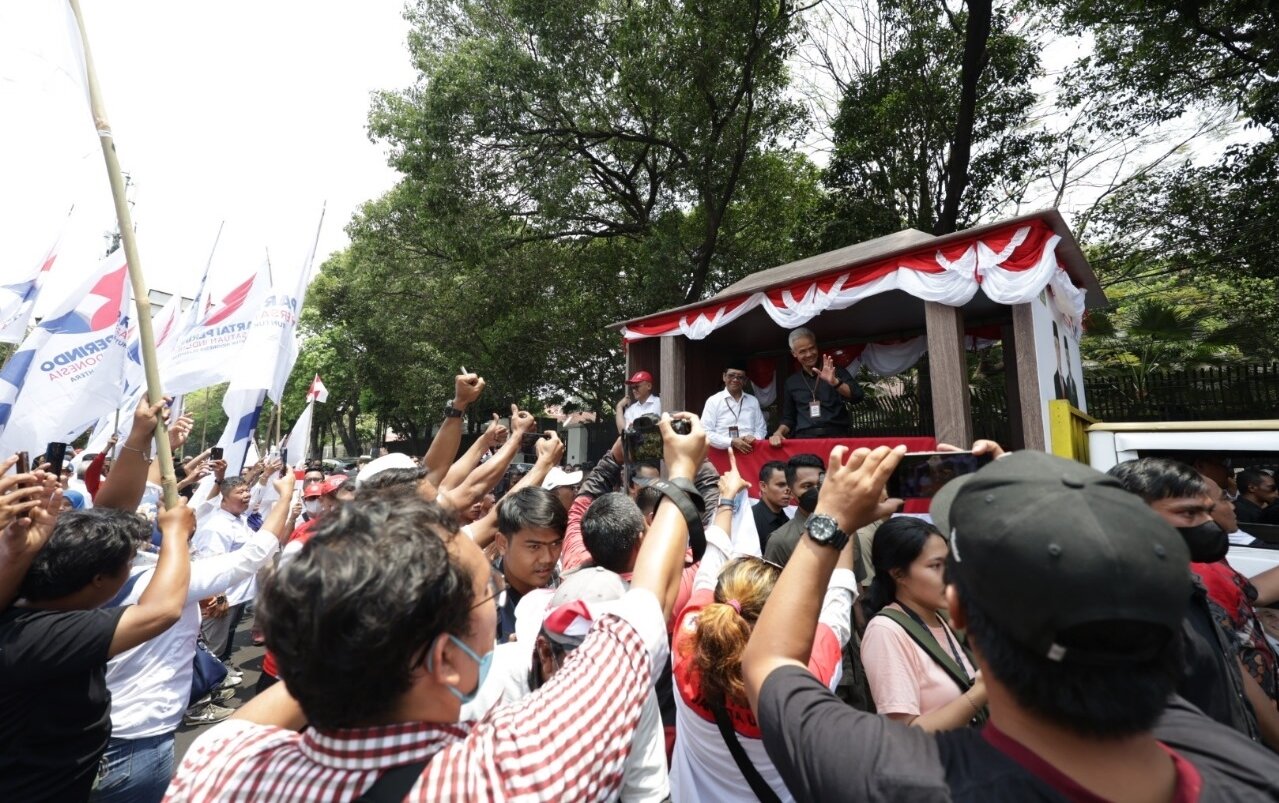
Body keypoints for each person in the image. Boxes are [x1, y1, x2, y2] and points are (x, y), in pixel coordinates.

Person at [165, 412, 708, 802]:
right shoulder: (508, 773)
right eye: (488, 593)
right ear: (447, 660)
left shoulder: (221, 769)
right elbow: (645, 607)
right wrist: (682, 472)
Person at [742, 446, 1279, 801]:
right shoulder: (1243, 768)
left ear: (958, 609)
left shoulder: (902, 780)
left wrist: (830, 520)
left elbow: (769, 662)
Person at [0, 401, 196, 800]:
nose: (134, 565)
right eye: (129, 561)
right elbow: (160, 611)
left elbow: (110, 516)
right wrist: (176, 535)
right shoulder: (48, 635)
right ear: (98, 579)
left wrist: (140, 435)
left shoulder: (24, 599)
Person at [94, 470, 297, 802]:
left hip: (96, 723)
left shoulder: (74, 581)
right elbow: (253, 555)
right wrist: (285, 496)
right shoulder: (161, 580)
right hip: (140, 734)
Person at [670, 461, 857, 802]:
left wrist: (727, 500)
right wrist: (844, 518)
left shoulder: (687, 642)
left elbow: (710, 565)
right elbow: (836, 605)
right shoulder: (806, 673)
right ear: (775, 614)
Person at [1110, 457, 1279, 749]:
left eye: (1207, 509)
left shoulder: (1189, 586)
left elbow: (1233, 666)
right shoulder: (1140, 612)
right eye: (1190, 512)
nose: (1209, 523)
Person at [860, 517, 985, 731]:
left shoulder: (941, 617)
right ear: (899, 574)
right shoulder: (886, 631)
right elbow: (905, 732)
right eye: (936, 566)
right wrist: (981, 692)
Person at [191, 476, 258, 671]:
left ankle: (223, 672)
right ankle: (206, 684)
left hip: (238, 596)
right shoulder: (217, 526)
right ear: (225, 497)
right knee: (212, 648)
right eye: (240, 492)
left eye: (247, 490)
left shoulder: (241, 519)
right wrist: (219, 597)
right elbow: (211, 564)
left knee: (227, 637)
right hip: (222, 598)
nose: (246, 495)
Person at [494, 486, 566, 642]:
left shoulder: (555, 582)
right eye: (534, 547)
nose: (547, 558)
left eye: (555, 544)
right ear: (502, 544)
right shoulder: (484, 603)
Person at [768, 328, 863, 444]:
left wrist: (835, 383)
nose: (809, 354)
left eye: (811, 348)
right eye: (802, 351)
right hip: (804, 440)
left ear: (816, 347)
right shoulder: (791, 382)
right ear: (794, 353)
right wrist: (778, 432)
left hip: (836, 437)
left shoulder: (835, 371)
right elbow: (788, 419)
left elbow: (858, 396)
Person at [763, 453, 824, 566]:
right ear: (790, 492)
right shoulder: (780, 541)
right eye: (807, 486)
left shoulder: (845, 528)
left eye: (821, 484)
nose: (817, 490)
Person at [701, 362, 768, 454]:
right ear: (724, 377)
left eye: (740, 377)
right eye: (731, 375)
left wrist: (755, 438)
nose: (735, 379)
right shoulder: (713, 401)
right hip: (722, 453)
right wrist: (731, 441)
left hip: (750, 451)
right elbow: (705, 431)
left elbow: (761, 429)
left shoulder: (753, 401)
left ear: (745, 380)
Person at [752, 461, 790, 551]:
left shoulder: (787, 521)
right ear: (763, 486)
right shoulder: (750, 520)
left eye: (790, 484)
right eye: (781, 485)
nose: (788, 490)